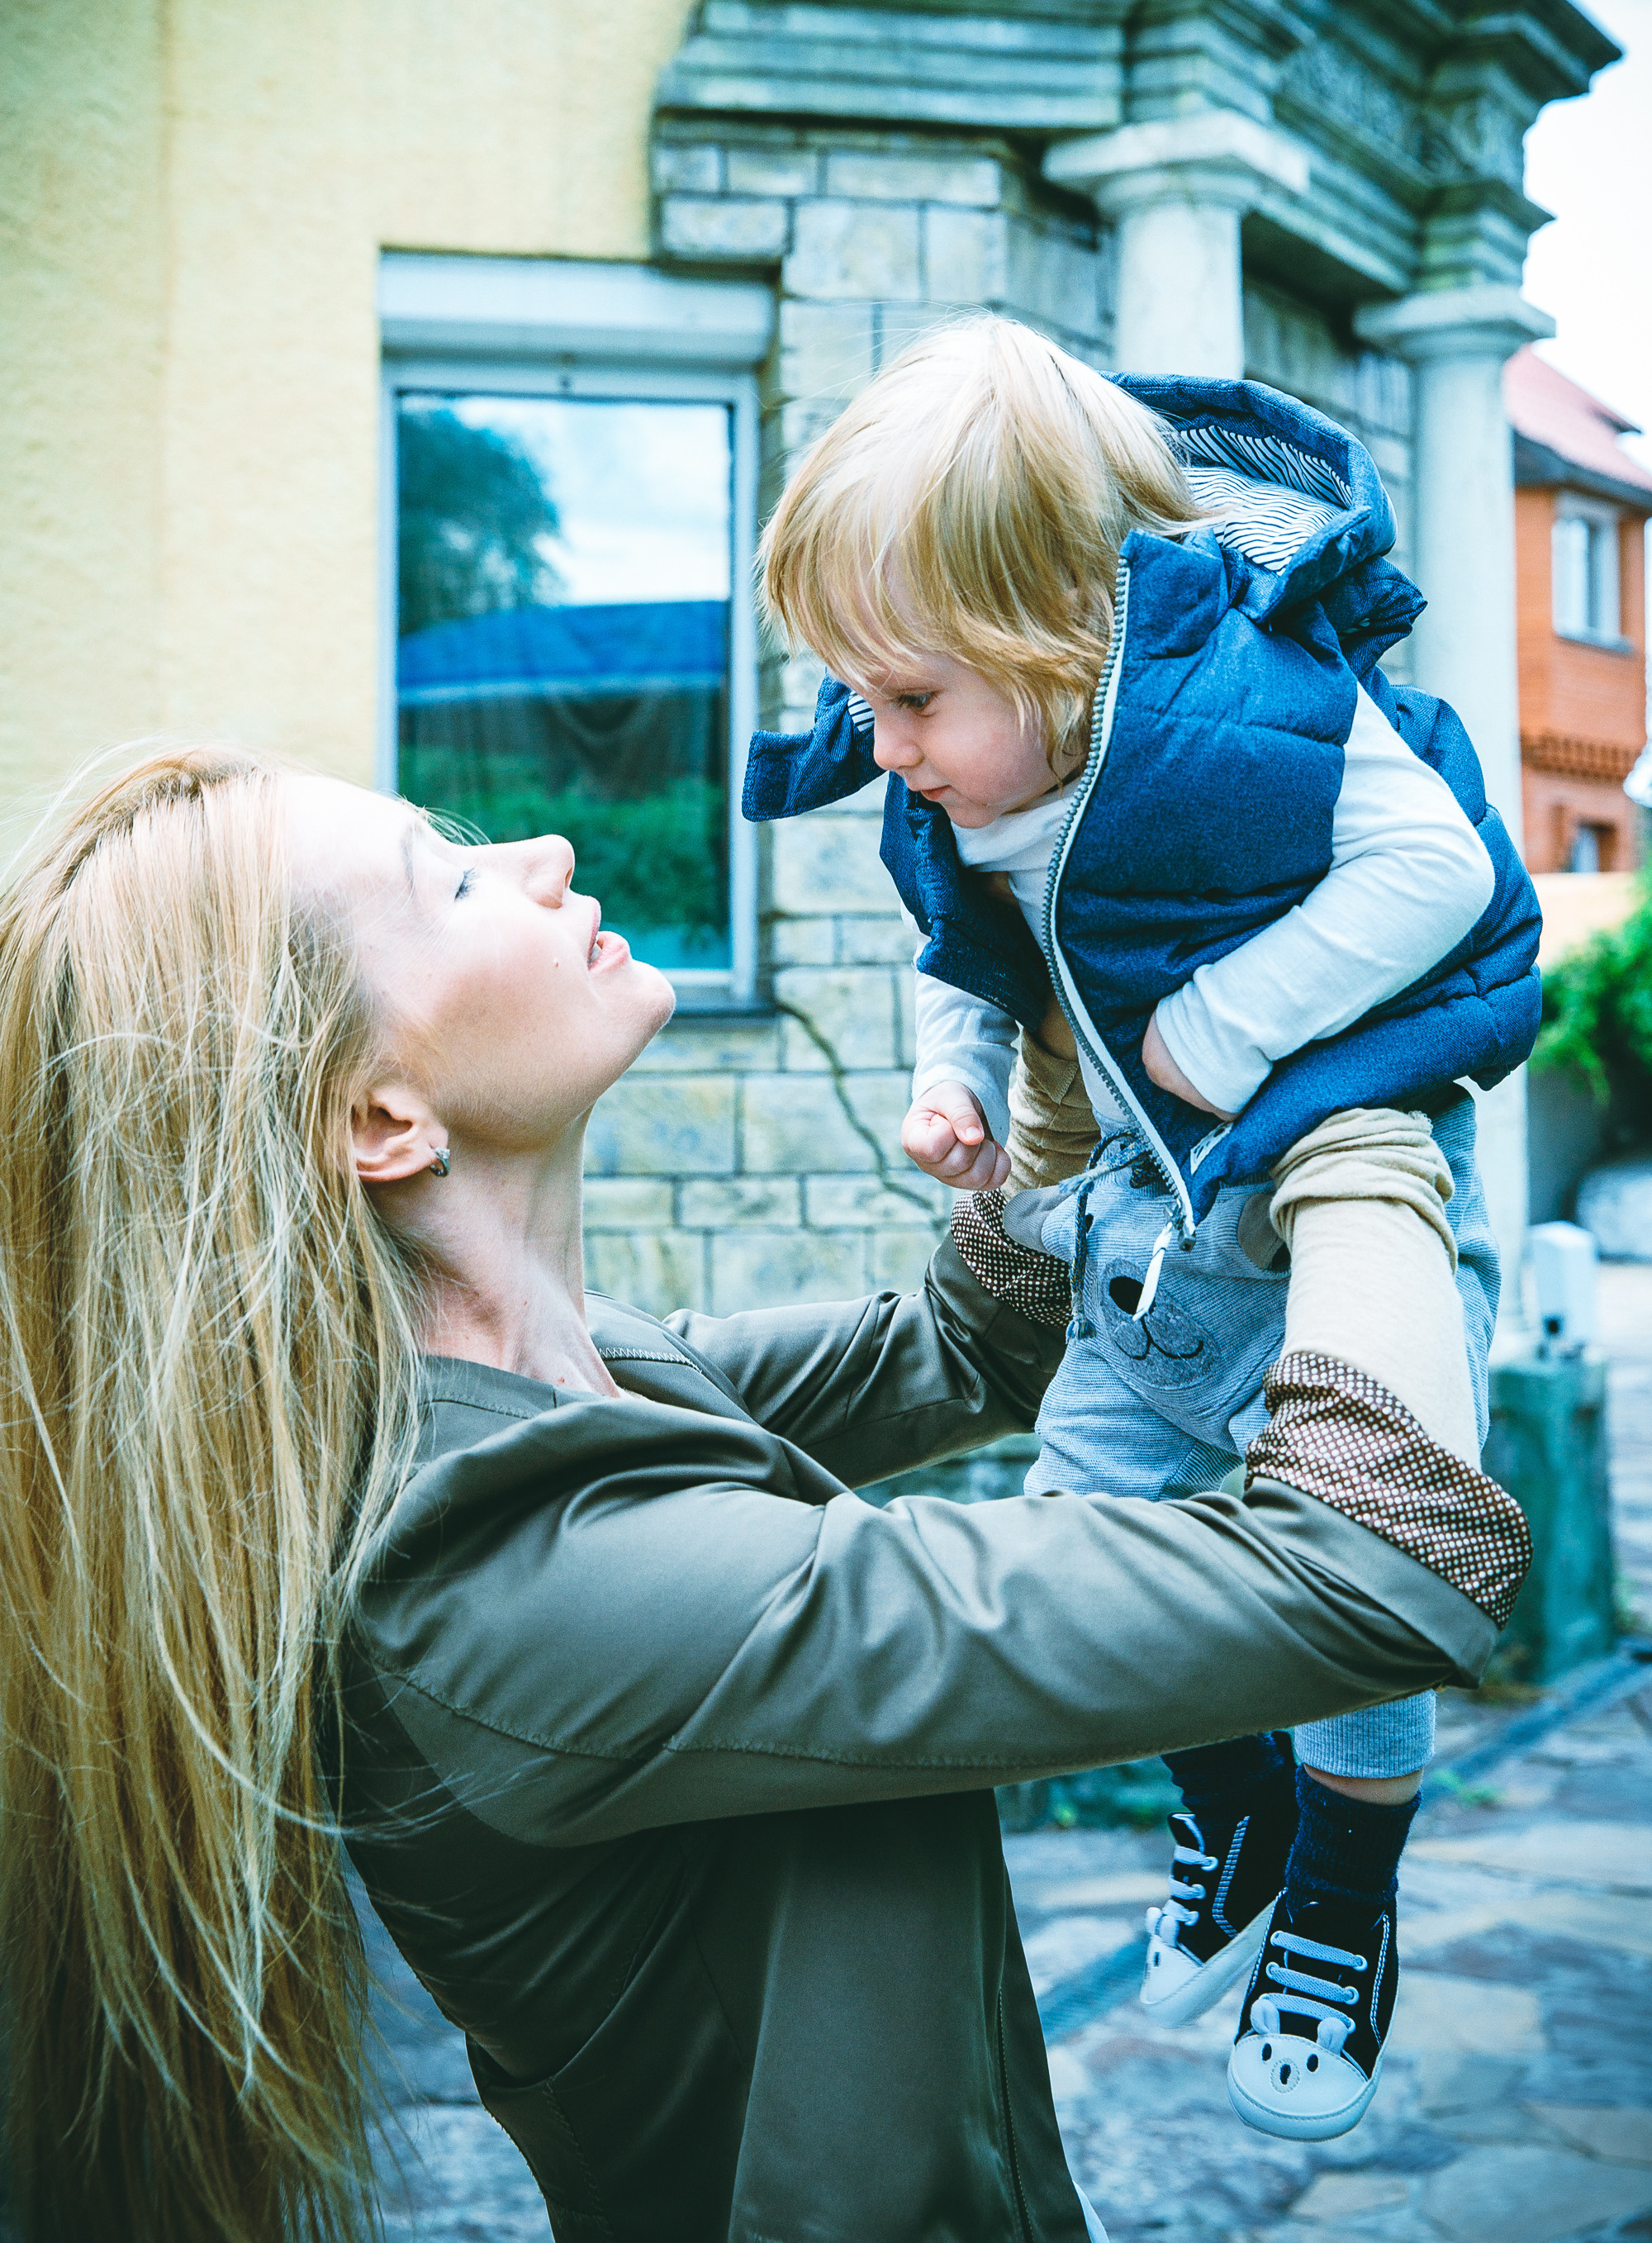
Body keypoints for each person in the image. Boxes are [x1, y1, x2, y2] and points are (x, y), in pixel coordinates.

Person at [0, 746, 1530, 2242]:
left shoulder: (594, 1377)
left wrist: (1067, 978)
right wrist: (1363, 1110)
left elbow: (982, 1341)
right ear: (381, 1122)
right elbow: (1362, 1562)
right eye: (452, 879)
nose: (538, 858)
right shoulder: (505, 1578)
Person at [745, 316, 1541, 2138]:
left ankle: (1341, 1895)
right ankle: (1237, 1793)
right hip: (1148, 1233)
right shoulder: (966, 759)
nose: (886, 746)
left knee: (1356, 1557)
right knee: (1073, 1547)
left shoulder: (1242, 713)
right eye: (863, 701)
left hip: (1338, 1206)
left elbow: (1445, 872)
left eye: (915, 702)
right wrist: (949, 1065)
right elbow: (966, 938)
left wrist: (1226, 1023)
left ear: (1056, 629)